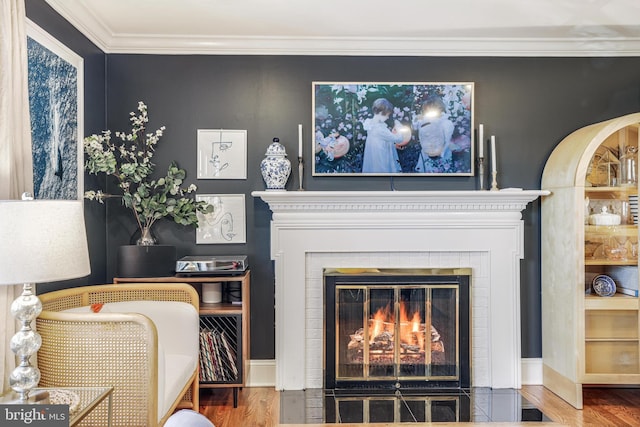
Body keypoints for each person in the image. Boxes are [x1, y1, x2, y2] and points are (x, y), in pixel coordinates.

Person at [361, 98, 408, 173]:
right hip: (381, 156)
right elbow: (399, 139)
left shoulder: (370, 124)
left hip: (373, 155)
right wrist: (399, 127)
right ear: (381, 112)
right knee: (383, 170)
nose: (388, 117)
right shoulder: (380, 129)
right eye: (387, 115)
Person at [413, 95, 455, 173]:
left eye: (430, 110)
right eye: (426, 111)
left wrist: (439, 153)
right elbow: (416, 128)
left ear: (439, 109)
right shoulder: (425, 121)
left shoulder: (446, 123)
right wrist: (416, 119)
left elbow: (447, 141)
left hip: (441, 155)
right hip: (426, 154)